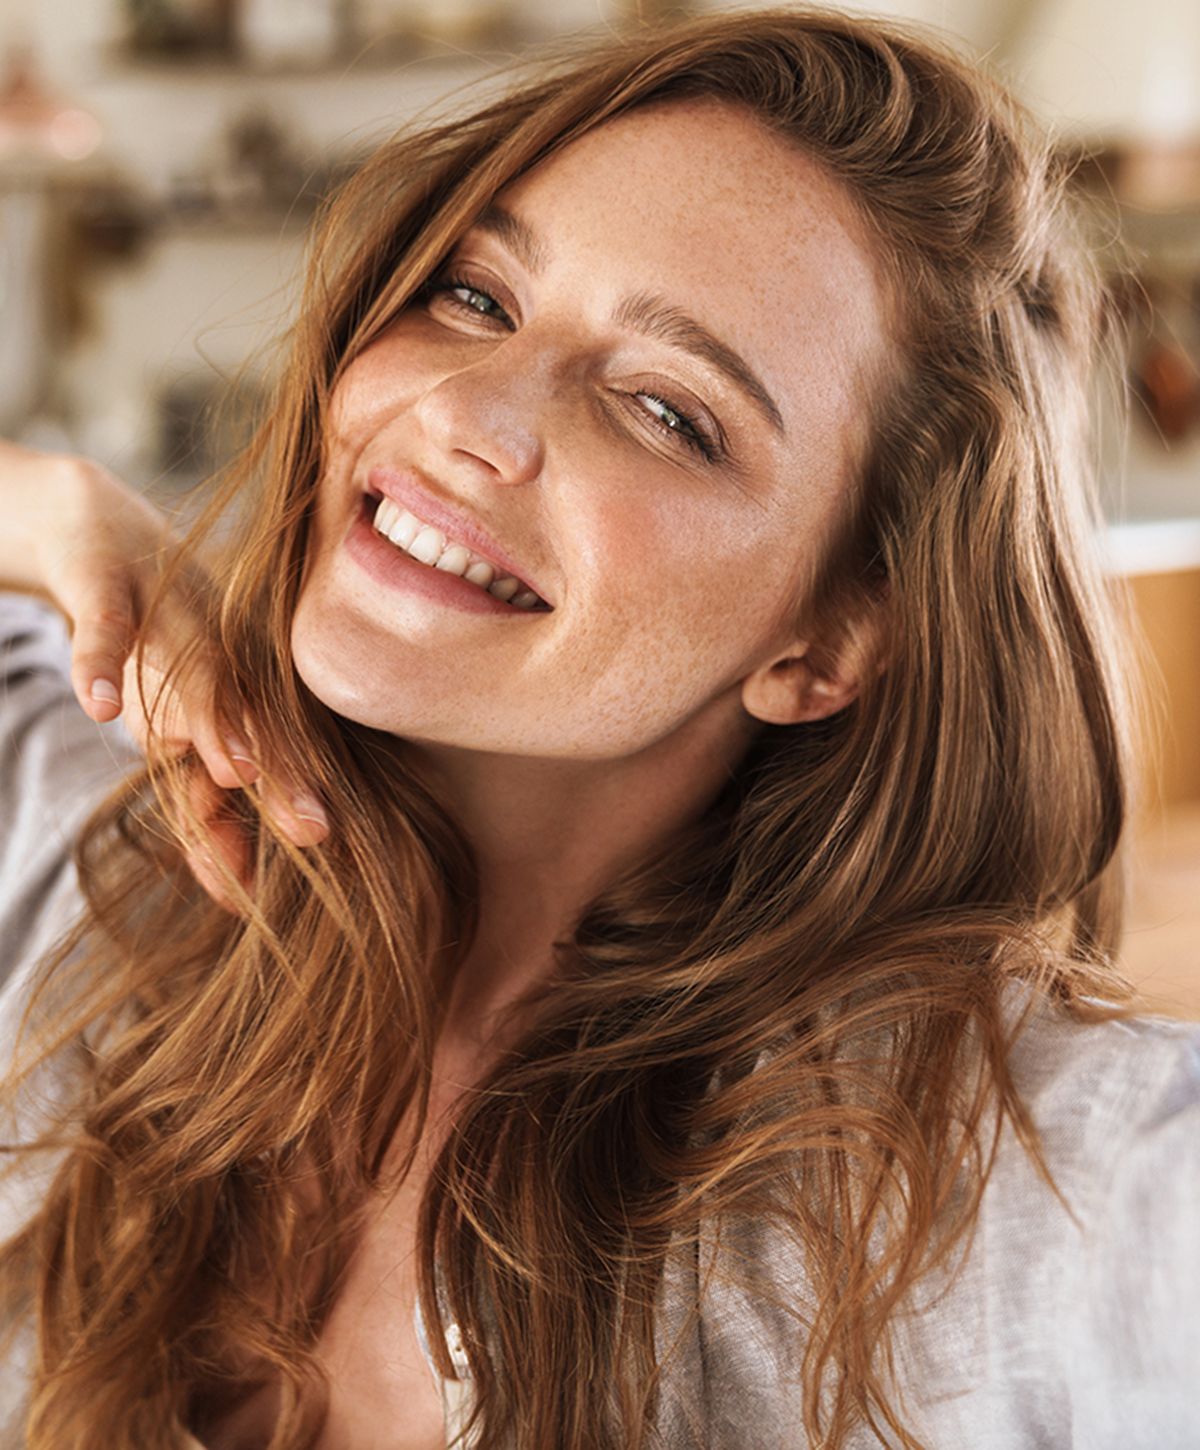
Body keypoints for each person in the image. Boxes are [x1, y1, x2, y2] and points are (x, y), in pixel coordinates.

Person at [0, 6, 1197, 1448]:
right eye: (475, 295)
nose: (467, 412)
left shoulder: (1021, 1183)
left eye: (666, 410)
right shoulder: (83, 841)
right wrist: (42, 504)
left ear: (831, 641)